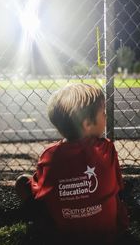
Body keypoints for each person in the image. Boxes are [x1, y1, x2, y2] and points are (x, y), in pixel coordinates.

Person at [15, 83, 129, 245]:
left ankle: (36, 226)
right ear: (87, 124)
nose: (106, 116)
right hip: (108, 235)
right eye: (103, 113)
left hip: (62, 236)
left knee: (21, 182)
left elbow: (40, 193)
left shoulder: (50, 155)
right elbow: (119, 187)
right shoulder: (107, 148)